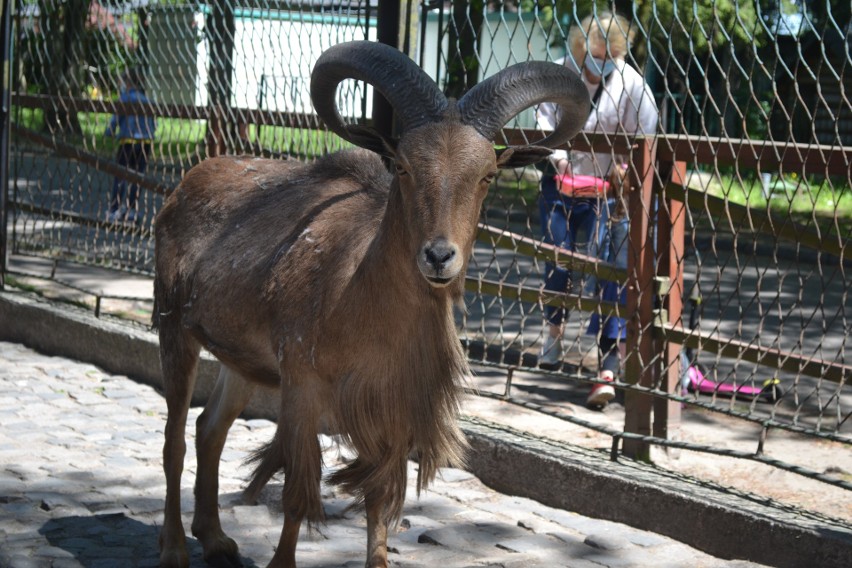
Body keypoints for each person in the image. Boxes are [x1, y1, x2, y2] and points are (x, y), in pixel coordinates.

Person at [536, 11, 659, 409]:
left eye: (611, 55)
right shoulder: (560, 73)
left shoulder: (630, 83)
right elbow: (543, 119)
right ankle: (552, 336)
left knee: (609, 266)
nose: (602, 62)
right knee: (559, 258)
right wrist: (558, 159)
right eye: (596, 53)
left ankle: (607, 361)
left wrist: (626, 168)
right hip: (562, 182)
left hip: (608, 190)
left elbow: (645, 132)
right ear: (580, 46)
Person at [105, 68, 156, 223]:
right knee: (137, 176)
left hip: (128, 141)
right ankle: (132, 209)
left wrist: (109, 131)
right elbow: (154, 123)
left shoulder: (125, 98)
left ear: (127, 82)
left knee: (121, 175)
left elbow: (116, 119)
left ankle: (114, 209)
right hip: (144, 143)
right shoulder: (147, 100)